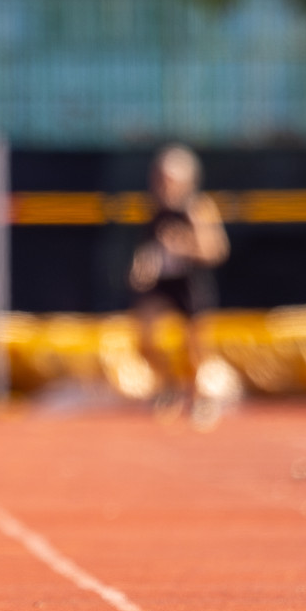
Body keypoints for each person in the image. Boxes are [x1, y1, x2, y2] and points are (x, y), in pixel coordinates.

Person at [129, 144, 228, 420]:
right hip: (163, 285)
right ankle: (169, 386)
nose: (163, 186)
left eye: (168, 180)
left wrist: (185, 247)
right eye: (160, 179)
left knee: (195, 348)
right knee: (144, 333)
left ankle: (200, 397)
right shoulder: (155, 211)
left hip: (191, 285)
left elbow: (216, 250)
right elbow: (148, 251)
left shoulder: (197, 209)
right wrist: (142, 268)